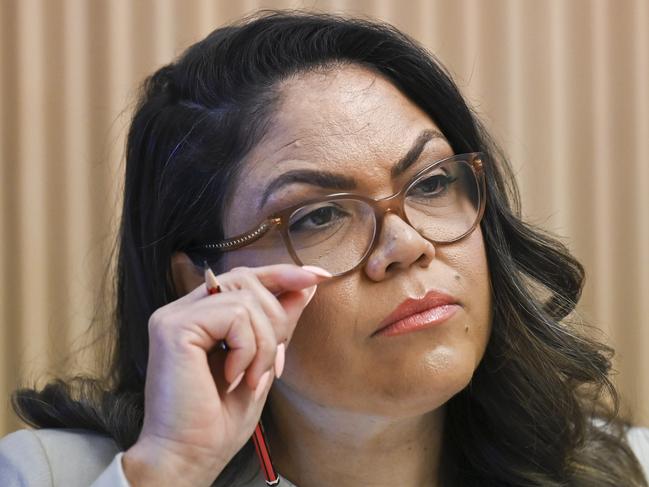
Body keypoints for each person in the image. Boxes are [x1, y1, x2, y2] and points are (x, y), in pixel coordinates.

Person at [1, 9, 648, 487]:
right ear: (201, 283)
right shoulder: (51, 474)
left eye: (429, 182)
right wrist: (172, 467)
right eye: (318, 216)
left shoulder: (629, 468)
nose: (406, 244)